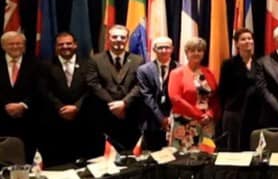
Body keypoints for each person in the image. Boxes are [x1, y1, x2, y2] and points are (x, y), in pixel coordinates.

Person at [42, 33, 101, 165]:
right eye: (61, 44)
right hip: (57, 122)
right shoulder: (46, 65)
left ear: (75, 45)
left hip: (83, 121)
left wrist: (77, 107)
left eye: (68, 43)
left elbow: (92, 88)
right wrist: (60, 107)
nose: (65, 46)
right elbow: (44, 90)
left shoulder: (89, 64)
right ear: (56, 47)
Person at [87, 25, 145, 153]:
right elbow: (93, 84)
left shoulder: (138, 60)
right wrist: (113, 105)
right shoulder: (95, 59)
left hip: (130, 116)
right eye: (114, 37)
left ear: (127, 39)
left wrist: (124, 103)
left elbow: (140, 84)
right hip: (105, 116)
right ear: (108, 38)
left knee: (129, 156)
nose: (119, 40)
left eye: (122, 37)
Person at [169, 38, 219, 151]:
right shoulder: (177, 73)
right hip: (185, 124)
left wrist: (209, 114)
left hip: (206, 124)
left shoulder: (208, 73)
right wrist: (199, 115)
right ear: (186, 53)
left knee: (206, 157)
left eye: (199, 50)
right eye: (192, 50)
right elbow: (175, 98)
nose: (196, 53)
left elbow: (215, 97)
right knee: (184, 158)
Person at [0, 31, 38, 161]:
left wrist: (23, 105)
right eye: (11, 44)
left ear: (24, 45)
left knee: (27, 160)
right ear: (3, 46)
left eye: (19, 43)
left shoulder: (36, 63)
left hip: (28, 121)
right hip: (2, 120)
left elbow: (40, 89)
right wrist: (6, 105)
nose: (15, 46)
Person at [218, 28, 258, 151]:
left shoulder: (260, 63)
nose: (247, 41)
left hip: (255, 114)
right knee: (233, 149)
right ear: (237, 44)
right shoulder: (229, 64)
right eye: (243, 39)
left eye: (249, 38)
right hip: (234, 114)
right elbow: (223, 90)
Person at [137, 37, 177, 151]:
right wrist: (161, 118)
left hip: (174, 121)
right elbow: (146, 96)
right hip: (151, 121)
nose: (164, 50)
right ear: (154, 49)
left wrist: (170, 117)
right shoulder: (143, 70)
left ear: (172, 49)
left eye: (167, 47)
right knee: (153, 156)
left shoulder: (179, 68)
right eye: (160, 48)